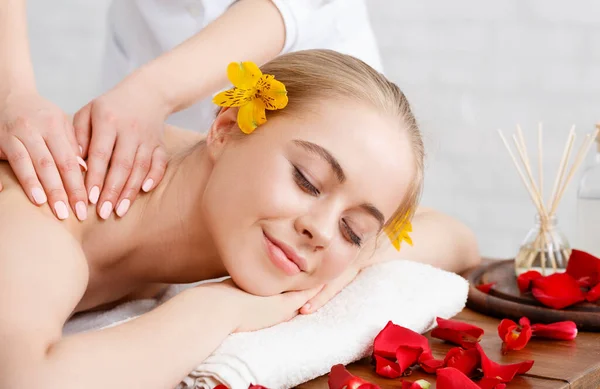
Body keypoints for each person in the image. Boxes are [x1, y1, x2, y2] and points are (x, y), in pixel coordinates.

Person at [0, 50, 479, 388]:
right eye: (308, 181)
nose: (321, 229)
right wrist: (218, 308)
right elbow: (27, 380)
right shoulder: (46, 215)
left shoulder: (221, 188)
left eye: (355, 229)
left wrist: (353, 259)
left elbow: (457, 238)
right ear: (226, 129)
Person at [0, 0, 381, 223]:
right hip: (146, 57)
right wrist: (12, 92)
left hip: (309, 60)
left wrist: (152, 93)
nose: (323, 232)